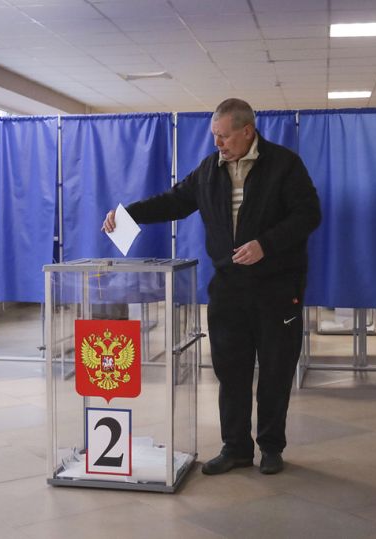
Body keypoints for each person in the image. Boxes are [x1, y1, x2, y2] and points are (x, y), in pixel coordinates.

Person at [102, 98, 321, 475]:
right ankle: (235, 447)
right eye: (214, 136)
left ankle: (271, 447)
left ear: (247, 131)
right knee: (230, 371)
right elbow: (174, 201)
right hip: (228, 288)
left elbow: (308, 214)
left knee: (275, 370)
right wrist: (127, 214)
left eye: (223, 136)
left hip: (277, 287)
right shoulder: (209, 170)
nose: (217, 143)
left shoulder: (284, 165)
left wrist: (265, 244)